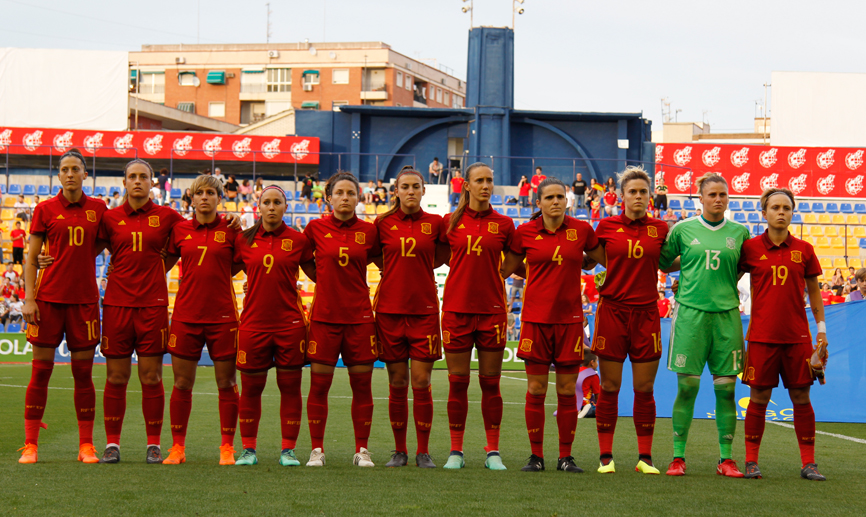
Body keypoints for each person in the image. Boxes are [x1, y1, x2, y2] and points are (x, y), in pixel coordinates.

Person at [60, 159, 188, 464]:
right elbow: (82, 249)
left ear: (152, 182)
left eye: (144, 176)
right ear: (124, 182)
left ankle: (153, 445)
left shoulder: (169, 217)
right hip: (116, 306)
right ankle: (113, 444)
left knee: (151, 377)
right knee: (116, 378)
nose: (138, 181)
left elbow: (195, 239)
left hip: (153, 307)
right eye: (132, 176)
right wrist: (46, 258)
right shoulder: (109, 217)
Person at [501, 177, 606, 473]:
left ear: (567, 200)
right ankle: (536, 456)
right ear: (539, 203)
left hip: (570, 322)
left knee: (565, 389)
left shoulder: (582, 230)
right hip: (535, 321)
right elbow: (505, 269)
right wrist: (532, 272)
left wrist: (585, 263)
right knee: (535, 390)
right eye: (550, 197)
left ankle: (565, 457)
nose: (556, 201)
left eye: (561, 196)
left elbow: (608, 260)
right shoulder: (525, 233)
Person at [658, 172, 751, 477]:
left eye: (723, 194)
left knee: (726, 391)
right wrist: (690, 276)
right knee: (687, 389)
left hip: (726, 318)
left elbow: (739, 269)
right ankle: (677, 457)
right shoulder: (683, 229)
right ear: (701, 198)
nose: (718, 199)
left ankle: (726, 459)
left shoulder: (740, 233)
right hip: (690, 317)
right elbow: (663, 262)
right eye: (712, 194)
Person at [18, 149, 108, 464]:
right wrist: (29, 299)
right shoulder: (44, 209)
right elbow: (31, 258)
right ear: (59, 175)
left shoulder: (99, 209)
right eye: (65, 169)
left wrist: (82, 254)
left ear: (86, 174)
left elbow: (107, 241)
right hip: (47, 301)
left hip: (84, 302)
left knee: (83, 375)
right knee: (40, 372)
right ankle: (31, 445)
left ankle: (86, 446)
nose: (70, 174)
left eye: (76, 169)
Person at [739, 188, 828, 481]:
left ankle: (809, 463)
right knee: (759, 397)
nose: (781, 212)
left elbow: (814, 292)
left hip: (797, 338)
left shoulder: (804, 249)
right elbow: (728, 283)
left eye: (786, 208)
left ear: (792, 212)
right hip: (762, 336)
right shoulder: (749, 248)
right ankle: (751, 462)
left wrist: (821, 331)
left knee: (801, 396)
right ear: (763, 212)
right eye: (775, 207)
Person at [590, 166, 670, 475]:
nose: (638, 196)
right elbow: (587, 258)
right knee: (609, 386)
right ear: (621, 195)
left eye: (643, 192)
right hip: (612, 312)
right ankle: (606, 457)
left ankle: (645, 458)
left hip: (647, 314)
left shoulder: (661, 229)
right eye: (632, 191)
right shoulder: (606, 226)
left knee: (644, 387)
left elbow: (671, 262)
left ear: (650, 197)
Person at [439, 162, 515, 471]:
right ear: (466, 185)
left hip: (491, 312)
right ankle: (456, 451)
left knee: (490, 384)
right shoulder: (449, 222)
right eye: (479, 180)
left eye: (490, 180)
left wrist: (495, 277)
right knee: (457, 382)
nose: (486, 185)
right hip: (456, 310)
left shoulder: (505, 224)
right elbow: (436, 258)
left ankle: (492, 451)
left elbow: (514, 262)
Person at [233, 185, 316, 467]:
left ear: (285, 207)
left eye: (277, 202)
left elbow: (320, 273)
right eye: (266, 202)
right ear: (258, 206)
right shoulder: (243, 240)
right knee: (251, 389)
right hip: (253, 325)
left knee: (290, 387)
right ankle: (248, 450)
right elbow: (220, 269)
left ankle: (287, 451)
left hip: (290, 325)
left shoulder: (299, 240)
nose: (271, 207)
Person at [162, 175, 242, 466]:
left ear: (220, 198)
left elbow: (244, 262)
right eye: (200, 193)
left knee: (227, 382)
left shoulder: (232, 229)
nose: (205, 197)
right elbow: (161, 263)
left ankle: (227, 447)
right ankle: (177, 448)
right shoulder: (179, 230)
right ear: (191, 199)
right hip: (186, 315)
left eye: (211, 192)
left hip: (223, 316)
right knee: (182, 383)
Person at [303, 172, 381, 468]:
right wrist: (322, 280)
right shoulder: (315, 228)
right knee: (319, 386)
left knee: (362, 387)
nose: (345, 197)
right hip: (324, 317)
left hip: (360, 318)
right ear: (329, 197)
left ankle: (362, 450)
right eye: (340, 193)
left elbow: (382, 261)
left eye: (351, 193)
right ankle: (316, 450)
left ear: (359, 197)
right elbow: (303, 260)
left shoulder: (369, 231)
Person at [373, 167, 445, 468]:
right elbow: (377, 256)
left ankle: (423, 451)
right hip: (389, 312)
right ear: (396, 191)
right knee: (397, 382)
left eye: (416, 186)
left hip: (424, 312)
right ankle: (399, 450)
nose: (411, 191)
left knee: (421, 381)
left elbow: (441, 257)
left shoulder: (436, 223)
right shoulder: (382, 223)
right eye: (405, 187)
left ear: (424, 191)